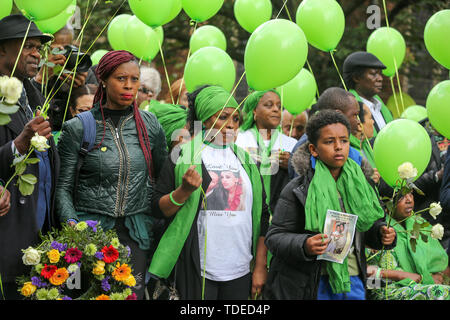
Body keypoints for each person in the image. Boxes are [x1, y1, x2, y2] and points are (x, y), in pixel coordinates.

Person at [55, 50, 168, 300]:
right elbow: (62, 187)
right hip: (88, 235)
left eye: (135, 79)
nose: (129, 86)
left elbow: (161, 179)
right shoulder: (79, 127)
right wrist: (74, 227)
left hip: (135, 234)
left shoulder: (151, 126)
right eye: (121, 78)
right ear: (103, 80)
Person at [148, 85, 270, 300]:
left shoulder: (247, 162)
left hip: (240, 268)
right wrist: (183, 191)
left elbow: (262, 215)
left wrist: (260, 267)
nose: (230, 125)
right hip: (196, 267)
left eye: (235, 119)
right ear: (204, 120)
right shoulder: (182, 154)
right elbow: (158, 209)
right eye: (222, 118)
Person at [264, 110, 396, 300]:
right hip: (313, 282)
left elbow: (369, 226)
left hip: (352, 279)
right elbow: (274, 237)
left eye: (344, 140)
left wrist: (382, 233)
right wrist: (305, 244)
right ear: (313, 149)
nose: (338, 147)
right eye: (329, 142)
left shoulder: (362, 185)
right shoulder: (298, 189)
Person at [0, 14, 60, 300]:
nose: (37, 53)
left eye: (39, 47)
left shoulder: (34, 94)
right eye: (29, 46)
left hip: (40, 236)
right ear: (2, 49)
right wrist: (18, 145)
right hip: (7, 237)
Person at [367, 192, 450, 300]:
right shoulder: (379, 229)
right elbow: (369, 278)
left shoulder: (418, 223)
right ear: (388, 201)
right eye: (402, 197)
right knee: (441, 293)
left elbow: (439, 262)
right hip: (387, 290)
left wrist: (434, 277)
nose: (409, 200)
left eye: (410, 194)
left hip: (420, 285)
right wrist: (410, 277)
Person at [235, 90, 297, 215]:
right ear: (254, 111)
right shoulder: (239, 139)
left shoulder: (291, 144)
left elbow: (302, 179)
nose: (276, 109)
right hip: (245, 211)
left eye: (279, 106)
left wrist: (291, 163)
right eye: (269, 105)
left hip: (280, 214)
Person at [343, 51, 394, 136]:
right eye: (374, 74)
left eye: (380, 74)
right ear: (356, 78)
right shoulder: (349, 110)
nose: (380, 79)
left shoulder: (381, 107)